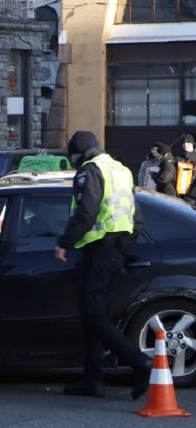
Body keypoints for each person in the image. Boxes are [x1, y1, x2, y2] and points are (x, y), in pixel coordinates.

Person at [54, 130, 152, 399]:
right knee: (94, 317)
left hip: (98, 251)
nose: (72, 160)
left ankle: (139, 363)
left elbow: (86, 213)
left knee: (93, 316)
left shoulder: (90, 170)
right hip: (114, 250)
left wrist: (64, 242)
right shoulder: (120, 169)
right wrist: (124, 244)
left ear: (79, 152)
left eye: (72, 155)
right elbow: (137, 216)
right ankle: (93, 380)